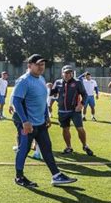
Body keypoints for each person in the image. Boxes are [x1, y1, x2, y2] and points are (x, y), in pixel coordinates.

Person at [11, 54, 77, 187]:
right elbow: (16, 101)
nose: (41, 67)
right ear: (29, 66)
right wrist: (25, 121)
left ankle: (56, 175)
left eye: (43, 64)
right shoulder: (24, 80)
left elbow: (42, 100)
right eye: (38, 64)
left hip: (40, 121)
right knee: (24, 148)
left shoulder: (41, 78)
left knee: (46, 147)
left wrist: (46, 115)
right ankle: (19, 177)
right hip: (27, 122)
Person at [51, 65, 94, 156]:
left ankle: (85, 145)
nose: (68, 74)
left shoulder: (78, 82)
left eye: (70, 72)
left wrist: (81, 104)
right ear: (62, 73)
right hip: (62, 111)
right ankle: (69, 147)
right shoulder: (58, 82)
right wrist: (48, 88)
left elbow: (85, 95)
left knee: (80, 129)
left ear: (72, 73)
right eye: (66, 72)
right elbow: (52, 94)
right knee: (65, 129)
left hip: (75, 110)